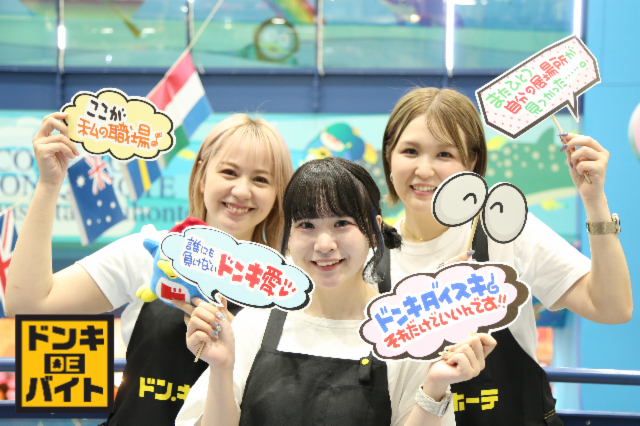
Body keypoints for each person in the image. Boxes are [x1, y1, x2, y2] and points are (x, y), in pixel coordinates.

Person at [5, 112, 294, 425]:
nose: (241, 191)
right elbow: (28, 304)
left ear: (278, 193)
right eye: (229, 172)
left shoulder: (287, 290)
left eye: (260, 180)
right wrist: (49, 184)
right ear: (201, 176)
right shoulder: (148, 251)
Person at [175, 157, 497, 426]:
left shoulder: (405, 333)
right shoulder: (253, 324)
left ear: (374, 230)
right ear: (288, 235)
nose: (324, 244)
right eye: (306, 225)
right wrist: (221, 367)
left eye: (342, 223)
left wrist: (436, 385)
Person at [379, 87, 632, 425]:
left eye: (444, 154)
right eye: (410, 151)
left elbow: (612, 307)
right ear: (389, 156)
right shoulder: (371, 256)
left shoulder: (504, 228)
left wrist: (595, 201)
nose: (424, 170)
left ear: (471, 162)